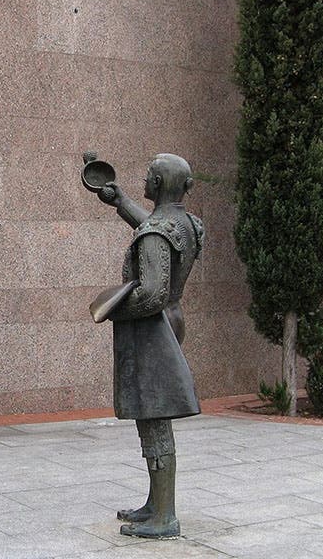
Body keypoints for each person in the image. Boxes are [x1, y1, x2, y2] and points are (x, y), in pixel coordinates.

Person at [93, 153, 204, 539]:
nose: (144, 178)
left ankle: (165, 516)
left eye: (147, 175)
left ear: (157, 182)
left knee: (155, 420)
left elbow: (153, 294)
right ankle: (156, 503)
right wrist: (121, 201)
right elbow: (155, 227)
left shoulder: (158, 230)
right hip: (171, 322)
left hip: (152, 327)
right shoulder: (186, 223)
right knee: (152, 419)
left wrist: (114, 309)